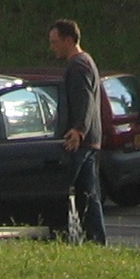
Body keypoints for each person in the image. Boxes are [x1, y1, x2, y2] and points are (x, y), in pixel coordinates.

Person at [47, 17, 107, 245]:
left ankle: (60, 236)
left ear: (69, 40)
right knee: (88, 195)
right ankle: (96, 241)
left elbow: (85, 100)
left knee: (59, 190)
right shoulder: (86, 61)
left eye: (55, 42)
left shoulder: (78, 66)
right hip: (90, 140)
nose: (52, 47)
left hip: (78, 142)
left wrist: (78, 129)